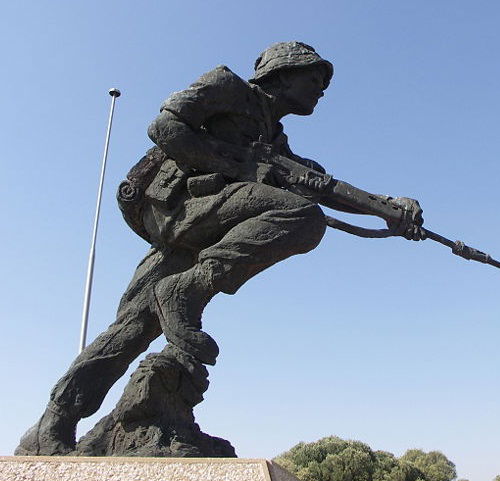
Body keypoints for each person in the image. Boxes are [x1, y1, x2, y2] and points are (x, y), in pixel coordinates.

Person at [16, 41, 424, 456]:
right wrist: (239, 166)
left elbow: (316, 183)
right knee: (303, 218)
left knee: (132, 327)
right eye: (314, 79)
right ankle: (186, 289)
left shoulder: (275, 138)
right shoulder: (227, 86)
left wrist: (388, 207)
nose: (321, 89)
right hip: (175, 210)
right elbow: (164, 126)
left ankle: (53, 422)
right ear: (281, 75)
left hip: (203, 227)